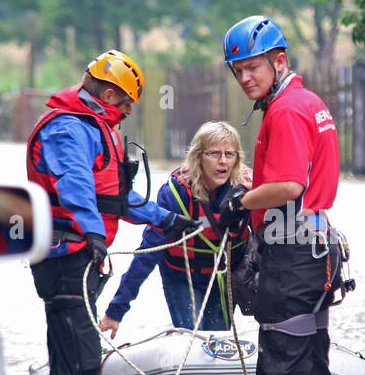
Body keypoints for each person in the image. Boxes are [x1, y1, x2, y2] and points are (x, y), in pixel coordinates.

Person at [26, 49, 198, 375]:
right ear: (106, 92)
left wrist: (171, 221)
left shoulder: (95, 128)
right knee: (82, 364)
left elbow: (117, 199)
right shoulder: (69, 129)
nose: (126, 113)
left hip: (82, 257)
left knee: (70, 362)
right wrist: (92, 234)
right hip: (67, 259)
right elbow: (75, 186)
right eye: (124, 104)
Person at [218, 15, 349, 375]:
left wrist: (239, 200)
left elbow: (291, 186)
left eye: (252, 67)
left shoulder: (287, 111)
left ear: (279, 61)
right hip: (313, 251)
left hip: (291, 255)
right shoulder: (309, 103)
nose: (245, 78)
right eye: (238, 71)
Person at [100, 122, 252, 336]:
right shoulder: (175, 193)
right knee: (192, 339)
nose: (223, 161)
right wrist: (117, 310)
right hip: (182, 276)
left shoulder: (247, 191)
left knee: (216, 343)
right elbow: (148, 254)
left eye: (229, 154)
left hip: (222, 277)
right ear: (198, 156)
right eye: (214, 153)